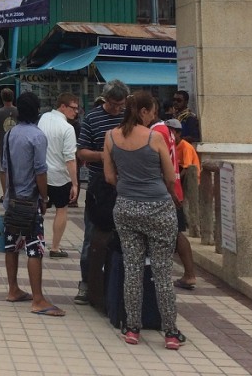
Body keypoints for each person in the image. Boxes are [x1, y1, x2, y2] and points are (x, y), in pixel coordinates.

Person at [103, 91, 184, 349]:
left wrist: (128, 188)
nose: (154, 116)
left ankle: (133, 329)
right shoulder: (155, 138)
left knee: (133, 269)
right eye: (152, 111)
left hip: (125, 207)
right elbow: (171, 178)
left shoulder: (111, 136)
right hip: (158, 208)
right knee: (161, 272)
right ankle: (170, 332)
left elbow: (109, 177)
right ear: (143, 111)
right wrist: (171, 196)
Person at [1, 91, 62, 316]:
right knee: (34, 248)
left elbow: (4, 169)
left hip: (12, 200)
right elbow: (41, 172)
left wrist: (7, 196)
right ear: (37, 111)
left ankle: (13, 289)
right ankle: (38, 299)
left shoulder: (9, 135)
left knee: (11, 245)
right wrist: (44, 198)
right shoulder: (37, 136)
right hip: (30, 201)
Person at [74, 78, 129, 305]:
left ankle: (121, 283)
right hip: (99, 185)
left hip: (126, 184)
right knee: (92, 235)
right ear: (105, 99)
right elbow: (81, 152)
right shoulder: (92, 118)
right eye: (114, 104)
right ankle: (87, 282)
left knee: (125, 236)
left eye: (121, 104)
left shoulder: (128, 117)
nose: (117, 109)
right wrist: (104, 155)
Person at [151, 114, 197, 291]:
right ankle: (188, 274)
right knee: (174, 232)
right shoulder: (165, 135)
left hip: (169, 191)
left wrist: (170, 191)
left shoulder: (158, 132)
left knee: (176, 233)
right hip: (171, 190)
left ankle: (190, 274)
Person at [38, 93, 80, 258]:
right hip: (60, 177)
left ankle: (32, 241)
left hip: (41, 173)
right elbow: (70, 159)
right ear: (62, 106)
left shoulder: (43, 118)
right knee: (61, 210)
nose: (75, 112)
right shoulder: (68, 128)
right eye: (73, 108)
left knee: (38, 209)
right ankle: (55, 247)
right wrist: (75, 183)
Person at [0, 88, 18, 203]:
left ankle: (5, 194)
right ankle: (16, 194)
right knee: (17, 170)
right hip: (17, 146)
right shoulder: (19, 111)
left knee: (3, 171)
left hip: (3, 146)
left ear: (2, 98)